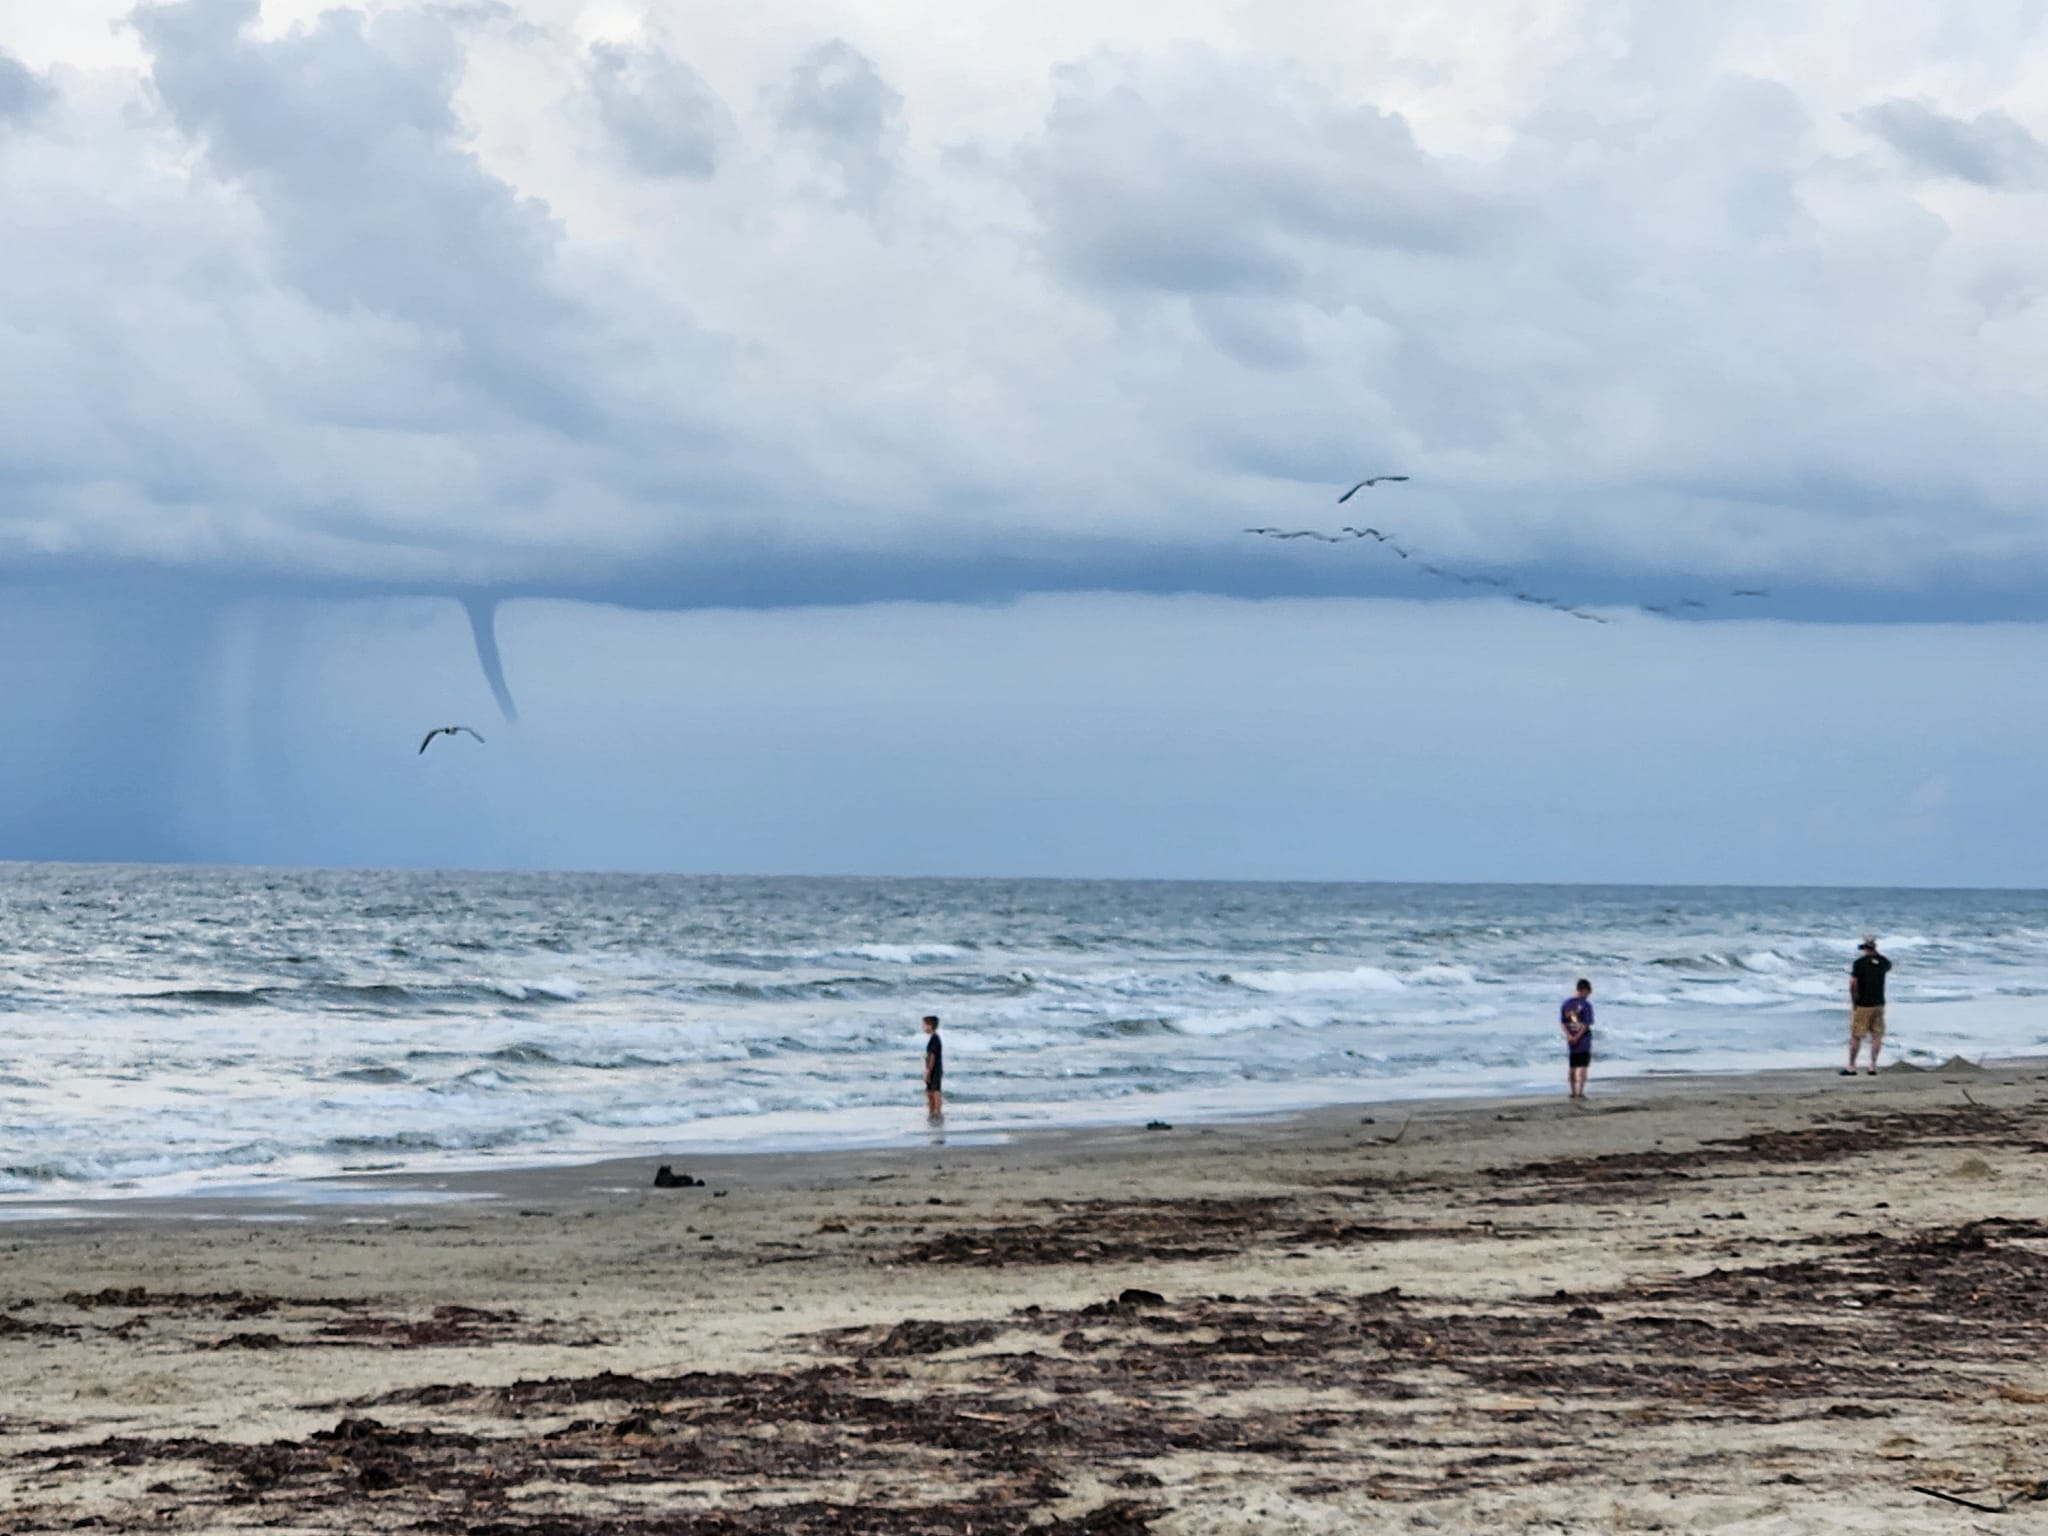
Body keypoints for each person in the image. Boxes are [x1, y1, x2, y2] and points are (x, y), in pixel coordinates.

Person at [1844, 937, 1892, 1076]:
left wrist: (1854, 1001)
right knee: (1877, 1035)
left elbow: (1853, 984)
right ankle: (1872, 1066)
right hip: (1879, 1003)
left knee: (1856, 1036)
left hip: (1864, 1004)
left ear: (1865, 948)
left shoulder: (1859, 964)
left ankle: (1852, 1066)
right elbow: (1886, 965)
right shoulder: (1883, 962)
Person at [1559, 979, 1594, 1100]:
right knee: (1583, 1065)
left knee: (1572, 1065)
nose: (1588, 996)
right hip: (1583, 1039)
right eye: (1588, 993)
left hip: (1571, 1038)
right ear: (1584, 990)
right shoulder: (1586, 1005)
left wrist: (1569, 1035)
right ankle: (1580, 1092)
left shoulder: (1566, 1004)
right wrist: (1578, 1036)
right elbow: (1586, 1024)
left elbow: (1563, 1023)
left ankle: (1573, 1092)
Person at [921, 1014, 943, 1117]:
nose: (923, 1027)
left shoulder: (934, 1039)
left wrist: (928, 1071)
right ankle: (932, 1110)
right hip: (934, 1067)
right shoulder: (934, 1038)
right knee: (930, 1091)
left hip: (935, 1068)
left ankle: (936, 1111)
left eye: (924, 1025)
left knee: (935, 1091)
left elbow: (933, 1056)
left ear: (930, 1026)